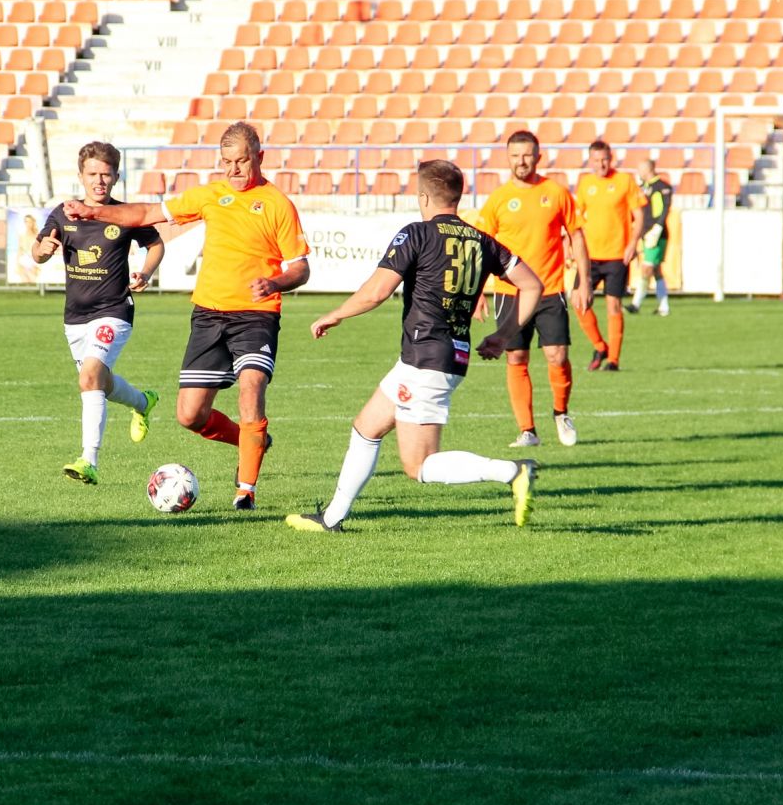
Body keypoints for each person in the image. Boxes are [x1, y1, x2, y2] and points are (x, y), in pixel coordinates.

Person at [286, 160, 545, 533]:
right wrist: (503, 336)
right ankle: (332, 517)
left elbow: (377, 291)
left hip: (426, 360)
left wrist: (336, 314)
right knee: (367, 427)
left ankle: (512, 472)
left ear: (423, 197)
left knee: (419, 465)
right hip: (441, 356)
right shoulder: (482, 240)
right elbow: (532, 285)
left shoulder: (418, 234)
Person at [64, 121, 310, 509]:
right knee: (190, 415)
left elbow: (300, 268)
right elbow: (146, 213)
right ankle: (253, 440)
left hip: (256, 316)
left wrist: (275, 283)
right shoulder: (211, 195)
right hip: (208, 316)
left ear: (259, 157)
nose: (233, 170)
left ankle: (245, 490)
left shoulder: (278, 204)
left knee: (251, 389)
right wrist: (93, 213)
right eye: (227, 162)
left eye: (241, 161)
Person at [33, 141, 165, 485]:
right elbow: (37, 252)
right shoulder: (64, 213)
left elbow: (155, 244)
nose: (99, 181)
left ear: (116, 177)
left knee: (90, 375)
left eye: (106, 174)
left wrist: (146, 272)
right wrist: (43, 249)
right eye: (92, 174)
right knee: (99, 382)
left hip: (114, 310)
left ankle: (88, 460)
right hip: (75, 317)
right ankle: (143, 402)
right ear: (81, 175)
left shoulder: (124, 214)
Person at [475, 130, 592, 449]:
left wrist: (583, 281)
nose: (521, 161)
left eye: (527, 155)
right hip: (509, 292)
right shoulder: (498, 199)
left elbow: (577, 236)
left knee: (557, 354)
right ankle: (527, 430)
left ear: (538, 157)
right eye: (515, 155)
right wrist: (478, 292)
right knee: (516, 357)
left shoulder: (556, 193)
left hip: (550, 289)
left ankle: (561, 413)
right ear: (507, 158)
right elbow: (483, 248)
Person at [573, 140, 645, 372]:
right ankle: (599, 346)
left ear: (611, 159)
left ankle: (613, 359)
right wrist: (571, 247)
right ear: (590, 161)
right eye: (596, 160)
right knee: (578, 301)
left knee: (613, 305)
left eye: (604, 159)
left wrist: (633, 243)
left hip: (617, 254)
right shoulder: (585, 183)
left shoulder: (624, 181)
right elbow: (576, 219)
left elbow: (639, 215)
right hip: (590, 256)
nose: (601, 164)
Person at [627, 158, 674, 317]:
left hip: (656, 235)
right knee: (656, 270)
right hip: (646, 234)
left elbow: (665, 209)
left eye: (640, 169)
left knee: (646, 268)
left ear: (648, 169)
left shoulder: (662, 187)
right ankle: (664, 306)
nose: (639, 172)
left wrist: (657, 228)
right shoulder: (642, 188)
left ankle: (636, 303)